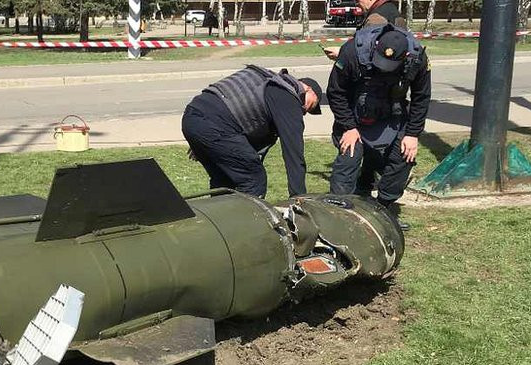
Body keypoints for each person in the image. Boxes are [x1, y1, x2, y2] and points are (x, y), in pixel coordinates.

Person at [326, 24, 431, 230]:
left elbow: (421, 97)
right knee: (349, 157)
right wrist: (348, 126)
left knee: (404, 156)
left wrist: (412, 134)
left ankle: (382, 210)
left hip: (392, 116)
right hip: (354, 119)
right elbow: (335, 92)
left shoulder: (417, 58)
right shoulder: (353, 51)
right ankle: (338, 215)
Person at [181, 67, 323, 198]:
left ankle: (218, 221)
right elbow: (293, 152)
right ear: (308, 89)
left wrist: (203, 139)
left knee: (224, 180)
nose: (305, 112)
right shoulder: (288, 95)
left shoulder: (267, 82)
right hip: (214, 126)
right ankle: (246, 224)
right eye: (312, 105)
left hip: (194, 118)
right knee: (253, 179)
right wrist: (298, 197)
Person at [323, 0, 405, 60]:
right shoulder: (392, 9)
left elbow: (366, 53)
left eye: (358, 0)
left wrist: (342, 54)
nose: (357, 3)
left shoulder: (376, 18)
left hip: (377, 78)